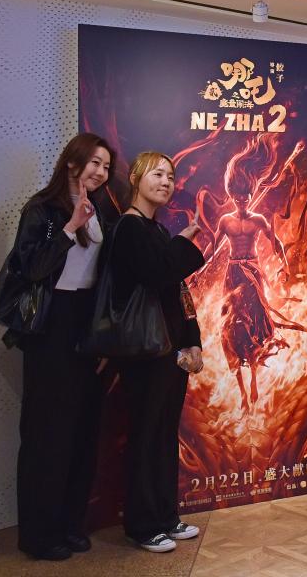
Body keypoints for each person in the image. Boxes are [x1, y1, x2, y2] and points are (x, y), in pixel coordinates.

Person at [0, 133, 115, 561]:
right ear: (72, 163)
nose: (100, 172)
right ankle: (39, 534)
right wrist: (69, 228)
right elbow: (31, 267)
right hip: (51, 326)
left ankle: (69, 524)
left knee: (82, 431)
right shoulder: (41, 209)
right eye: (94, 163)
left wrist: (103, 336)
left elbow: (103, 278)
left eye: (106, 166)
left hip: (86, 322)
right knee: (47, 434)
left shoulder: (102, 209)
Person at [109, 151, 205, 553]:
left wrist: (193, 338)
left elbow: (177, 291)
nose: (166, 182)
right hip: (144, 352)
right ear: (135, 177)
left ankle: (166, 516)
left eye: (170, 176)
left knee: (165, 434)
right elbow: (155, 274)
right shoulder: (128, 228)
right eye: (157, 174)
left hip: (170, 350)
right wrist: (183, 243)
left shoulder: (157, 229)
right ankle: (142, 524)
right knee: (146, 435)